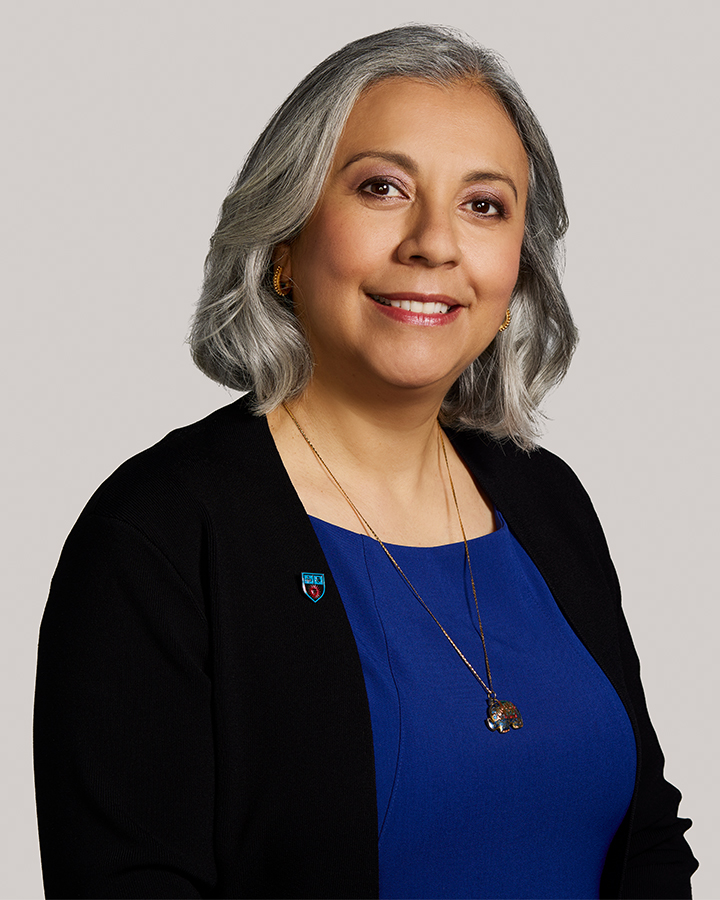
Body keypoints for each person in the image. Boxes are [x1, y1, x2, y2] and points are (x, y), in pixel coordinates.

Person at [34, 23, 698, 900]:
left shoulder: (548, 501)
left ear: (514, 280)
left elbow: (646, 838)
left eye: (485, 205)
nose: (434, 242)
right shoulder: (159, 536)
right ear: (282, 242)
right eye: (382, 188)